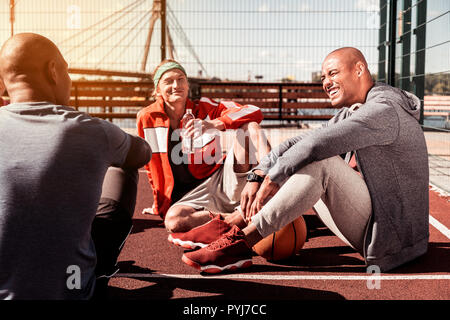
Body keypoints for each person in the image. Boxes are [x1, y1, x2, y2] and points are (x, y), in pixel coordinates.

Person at [178, 47, 429, 274]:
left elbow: (316, 146)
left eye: (332, 73)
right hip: (376, 222)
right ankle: (232, 223)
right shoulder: (354, 111)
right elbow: (299, 142)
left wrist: (273, 178)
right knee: (304, 156)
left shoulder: (384, 110)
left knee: (320, 161)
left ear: (359, 69)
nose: (326, 82)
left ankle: (241, 244)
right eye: (323, 77)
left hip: (394, 238)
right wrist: (258, 173)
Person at [0, 33, 151, 299]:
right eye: (68, 70)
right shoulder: (91, 131)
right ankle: (96, 268)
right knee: (122, 166)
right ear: (53, 71)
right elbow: (142, 153)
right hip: (71, 291)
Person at [137, 59, 271, 234]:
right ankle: (235, 217)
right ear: (157, 90)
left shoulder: (205, 107)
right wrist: (158, 203)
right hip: (191, 198)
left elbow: (253, 110)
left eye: (181, 79)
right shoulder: (147, 118)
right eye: (168, 81)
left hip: (221, 181)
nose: (176, 85)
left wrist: (216, 123)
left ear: (187, 84)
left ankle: (271, 186)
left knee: (250, 128)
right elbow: (151, 166)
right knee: (174, 221)